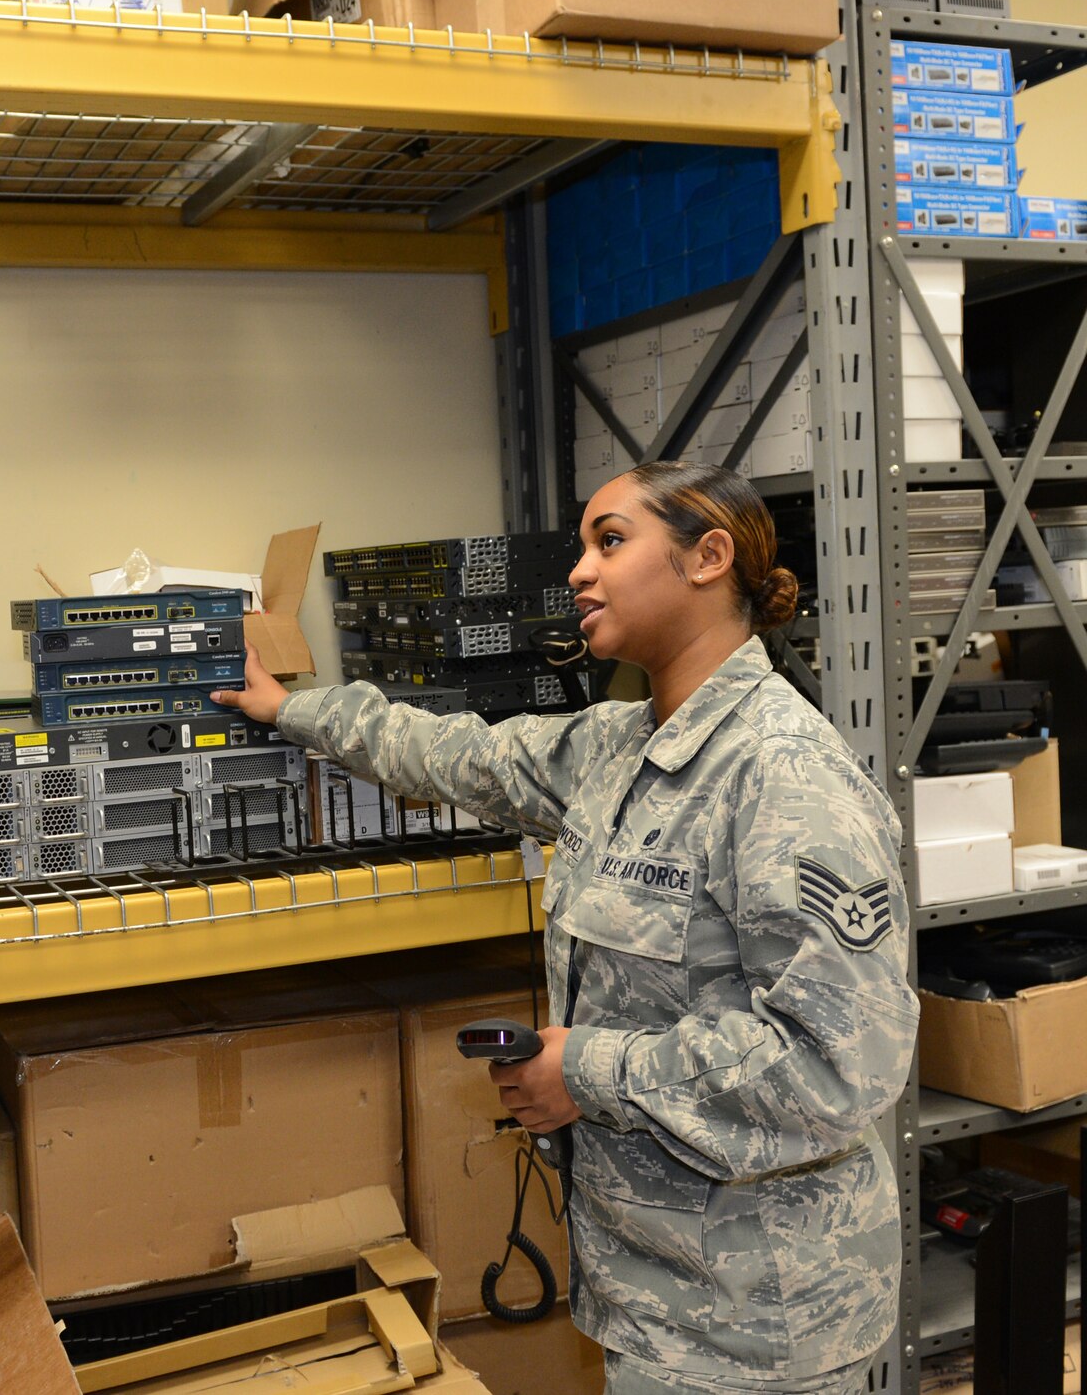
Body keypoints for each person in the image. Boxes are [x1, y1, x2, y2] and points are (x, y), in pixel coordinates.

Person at [217, 461, 917, 1395]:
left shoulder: (783, 777)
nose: (579, 572)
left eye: (610, 542)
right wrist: (292, 709)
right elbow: (454, 753)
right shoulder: (618, 746)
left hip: (760, 1322)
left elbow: (837, 1060)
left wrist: (581, 1070)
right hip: (658, 1300)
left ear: (708, 558)